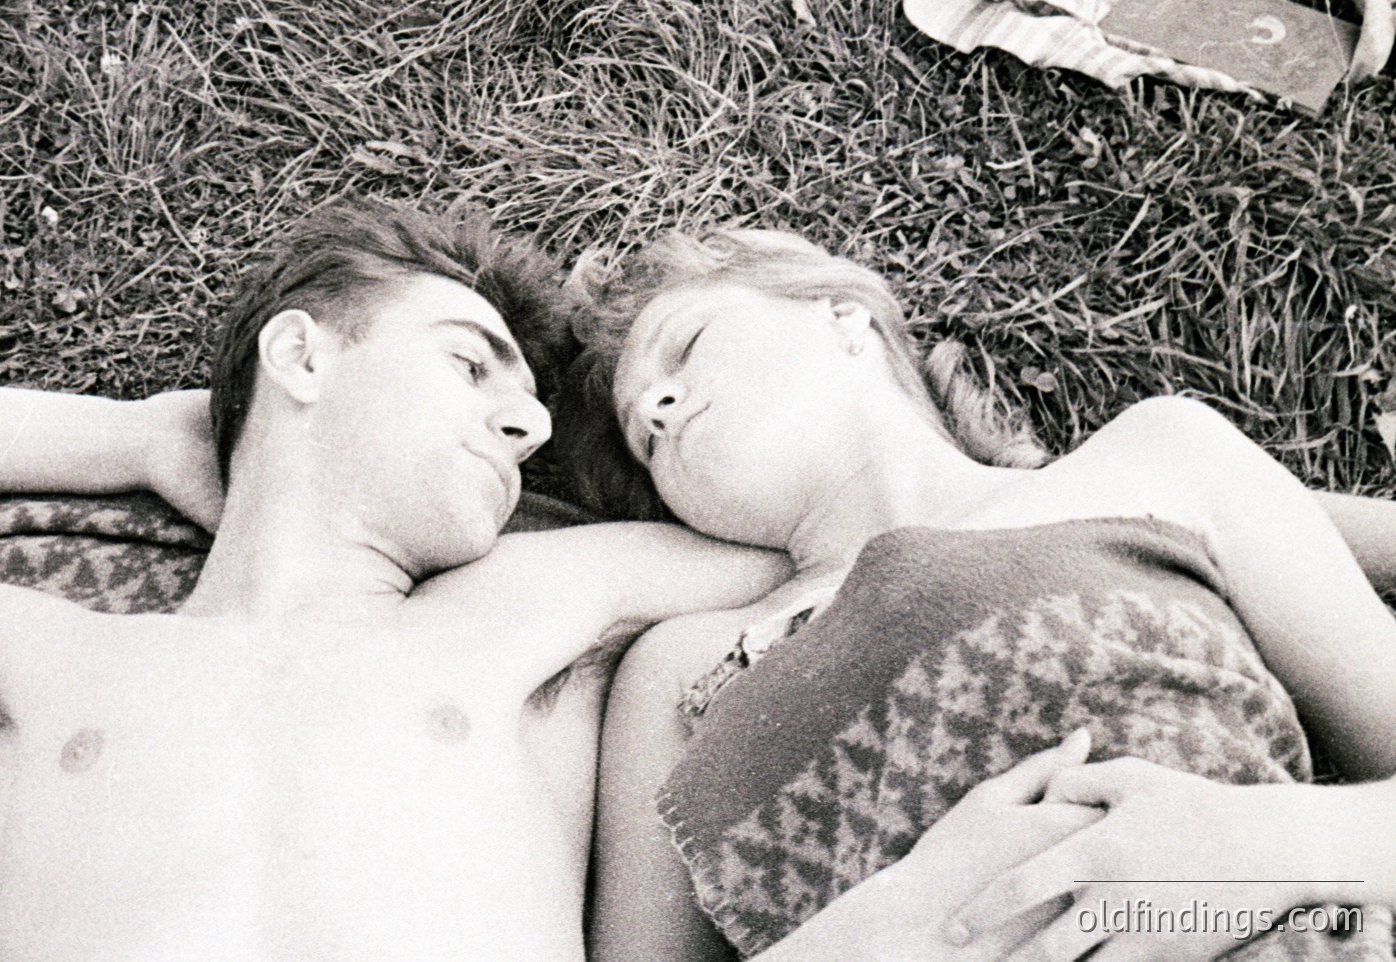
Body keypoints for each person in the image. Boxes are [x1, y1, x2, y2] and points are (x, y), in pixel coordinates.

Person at [0, 200, 795, 961]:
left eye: (527, 410)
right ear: (301, 355)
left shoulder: (540, 605)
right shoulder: (40, 670)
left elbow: (840, 550)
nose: (527, 428)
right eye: (471, 365)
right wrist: (134, 438)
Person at [571, 227, 1396, 961]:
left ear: (839, 311)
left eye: (686, 344)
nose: (658, 402)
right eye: (644, 434)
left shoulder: (1157, 459)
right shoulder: (676, 669)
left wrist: (1277, 842)